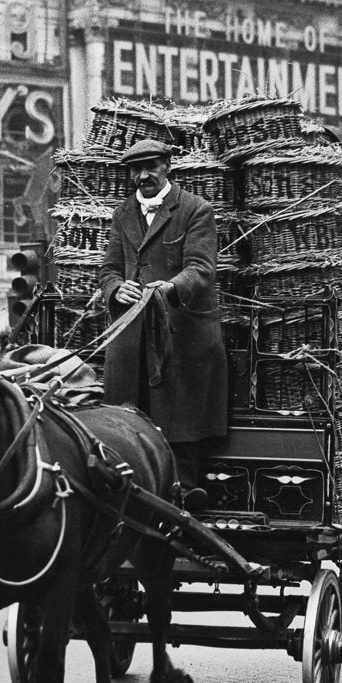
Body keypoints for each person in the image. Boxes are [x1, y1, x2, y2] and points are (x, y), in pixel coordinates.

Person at [99, 139, 228, 511]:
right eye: (135, 170)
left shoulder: (195, 210)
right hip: (131, 338)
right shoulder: (123, 213)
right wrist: (114, 288)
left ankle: (182, 495)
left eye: (150, 166)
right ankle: (131, 494)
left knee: (179, 420)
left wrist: (169, 288)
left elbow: (202, 269)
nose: (143, 176)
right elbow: (108, 268)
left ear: (167, 166)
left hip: (181, 336)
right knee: (125, 416)